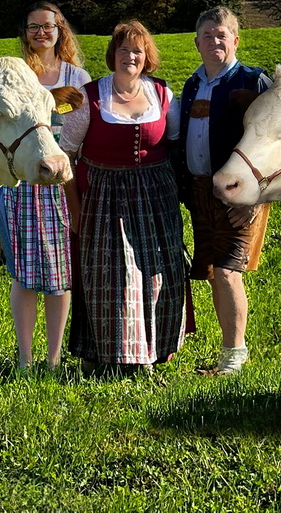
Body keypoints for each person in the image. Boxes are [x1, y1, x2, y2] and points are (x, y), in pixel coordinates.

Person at [61, 21, 186, 374]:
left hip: (155, 195)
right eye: (123, 50)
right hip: (103, 195)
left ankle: (151, 351)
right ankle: (105, 355)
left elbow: (173, 142)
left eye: (137, 50)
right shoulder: (90, 96)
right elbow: (66, 153)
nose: (130, 56)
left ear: (147, 58)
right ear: (112, 55)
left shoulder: (162, 94)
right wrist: (76, 208)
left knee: (157, 274)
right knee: (112, 278)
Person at [176, 7, 273, 375]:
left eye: (222, 35)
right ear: (196, 42)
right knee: (216, 271)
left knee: (230, 270)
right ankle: (226, 352)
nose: (215, 41)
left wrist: (254, 195)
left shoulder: (253, 81)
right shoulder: (191, 85)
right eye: (208, 35)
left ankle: (235, 355)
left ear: (235, 40)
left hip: (241, 197)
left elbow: (273, 144)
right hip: (201, 194)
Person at [0, 2, 90, 369]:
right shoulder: (17, 76)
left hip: (62, 181)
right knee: (23, 270)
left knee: (60, 272)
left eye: (47, 26)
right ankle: (24, 357)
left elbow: (83, 130)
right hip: (20, 183)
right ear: (25, 32)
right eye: (33, 27)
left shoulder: (77, 77)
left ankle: (52, 358)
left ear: (60, 30)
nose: (41, 33)